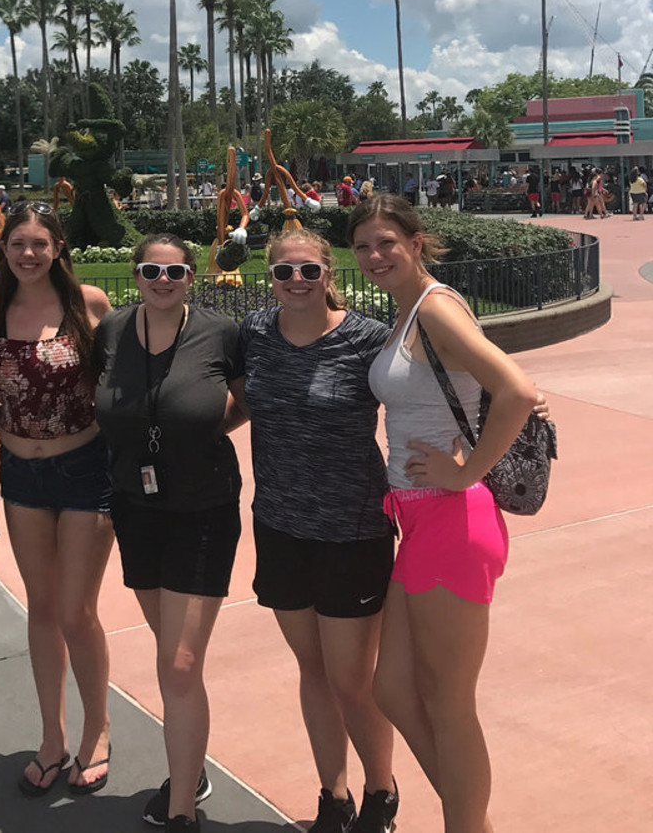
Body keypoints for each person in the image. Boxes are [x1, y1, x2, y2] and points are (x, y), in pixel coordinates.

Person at [348, 195, 537, 833]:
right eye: (363, 246)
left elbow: (516, 390)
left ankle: (465, 823)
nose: (374, 256)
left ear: (416, 241)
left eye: (386, 243)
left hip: (452, 517)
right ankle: (470, 818)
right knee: (393, 690)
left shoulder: (434, 308)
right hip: (420, 521)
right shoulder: (412, 311)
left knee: (449, 704)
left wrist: (465, 471)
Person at [236, 229, 399, 833]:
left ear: (329, 273)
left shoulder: (368, 339)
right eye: (284, 272)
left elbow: (429, 393)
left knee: (351, 680)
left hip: (352, 530)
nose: (297, 281)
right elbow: (237, 404)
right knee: (313, 669)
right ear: (270, 277)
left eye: (309, 271)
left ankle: (381, 792)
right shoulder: (254, 332)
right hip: (280, 526)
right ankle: (334, 795)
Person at [94, 235, 243, 833]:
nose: (163, 280)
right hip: (135, 505)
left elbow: (247, 398)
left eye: (175, 271)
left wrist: (200, 430)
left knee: (178, 664)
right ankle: (192, 767)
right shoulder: (112, 330)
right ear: (135, 275)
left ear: (190, 276)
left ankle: (182, 807)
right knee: (171, 654)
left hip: (203, 506)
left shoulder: (221, 333)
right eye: (151, 270)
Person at [0, 202, 114, 798]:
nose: (28, 254)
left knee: (75, 610)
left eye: (39, 243)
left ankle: (97, 728)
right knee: (41, 608)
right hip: (20, 474)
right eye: (18, 244)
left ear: (59, 247)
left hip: (84, 468)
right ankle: (52, 736)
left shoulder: (88, 305)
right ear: (4, 250)